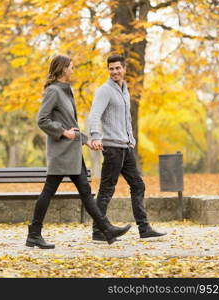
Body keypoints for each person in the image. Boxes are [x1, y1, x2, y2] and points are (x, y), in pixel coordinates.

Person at [26, 54, 131, 249]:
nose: (73, 70)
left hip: (73, 153)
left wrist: (87, 140)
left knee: (85, 192)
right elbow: (42, 120)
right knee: (48, 192)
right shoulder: (53, 91)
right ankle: (34, 233)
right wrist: (63, 132)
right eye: (72, 67)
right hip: (61, 153)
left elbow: (71, 125)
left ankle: (106, 229)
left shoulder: (67, 90)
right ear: (63, 69)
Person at [89, 54, 166, 241]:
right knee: (107, 189)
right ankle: (98, 231)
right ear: (108, 70)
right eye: (111, 68)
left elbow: (127, 118)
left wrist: (131, 139)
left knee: (138, 185)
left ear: (124, 69)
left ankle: (144, 228)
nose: (115, 71)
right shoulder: (104, 91)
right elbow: (94, 115)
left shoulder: (124, 90)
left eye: (118, 68)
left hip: (126, 147)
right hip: (112, 148)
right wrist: (95, 135)